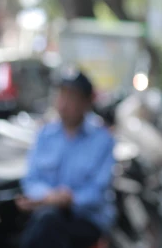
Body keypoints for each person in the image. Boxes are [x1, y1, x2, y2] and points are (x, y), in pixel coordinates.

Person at [18, 69, 115, 248]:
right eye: (61, 95)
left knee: (47, 225)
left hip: (85, 218)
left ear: (86, 102)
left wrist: (70, 199)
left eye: (71, 96)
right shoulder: (45, 134)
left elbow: (98, 191)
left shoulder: (102, 140)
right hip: (46, 213)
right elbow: (31, 180)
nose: (64, 102)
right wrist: (50, 196)